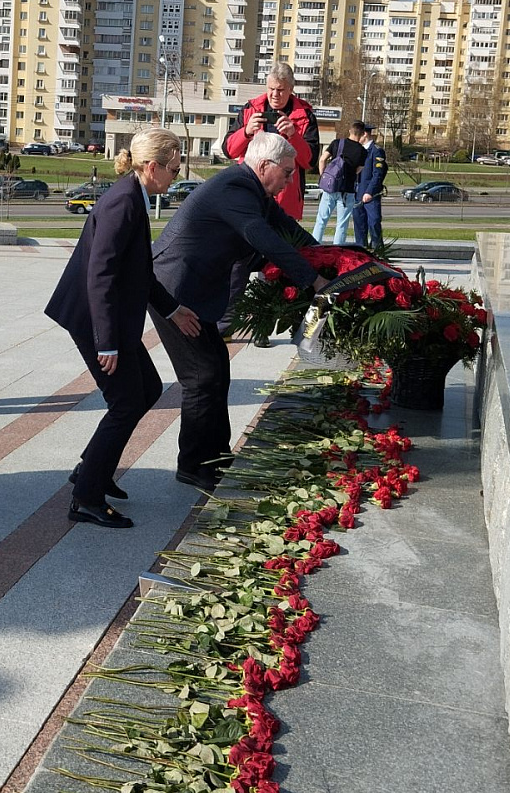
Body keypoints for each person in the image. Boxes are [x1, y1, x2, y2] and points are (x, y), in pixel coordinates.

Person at [149, 132, 328, 489]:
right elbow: (261, 236)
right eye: (288, 172)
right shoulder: (235, 188)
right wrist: (314, 280)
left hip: (193, 290)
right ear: (264, 166)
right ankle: (194, 465)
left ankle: (214, 455)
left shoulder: (254, 190)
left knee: (215, 372)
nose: (292, 180)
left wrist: (329, 259)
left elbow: (287, 229)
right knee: (201, 378)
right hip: (175, 292)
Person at [45, 129, 201, 529]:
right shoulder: (123, 204)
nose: (176, 174)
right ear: (152, 167)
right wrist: (107, 343)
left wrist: (174, 310)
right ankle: (86, 498)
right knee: (126, 401)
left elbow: (139, 272)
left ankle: (90, 470)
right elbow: (101, 275)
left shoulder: (134, 195)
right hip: (95, 319)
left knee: (146, 389)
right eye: (173, 167)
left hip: (111, 318)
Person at [218, 63, 320, 339]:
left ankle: (273, 326)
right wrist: (247, 132)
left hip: (284, 202)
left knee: (278, 266)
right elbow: (229, 149)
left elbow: (309, 161)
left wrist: (293, 135)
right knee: (238, 264)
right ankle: (228, 324)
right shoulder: (251, 108)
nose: (275, 95)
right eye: (272, 89)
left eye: (282, 90)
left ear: (291, 90)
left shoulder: (304, 114)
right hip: (249, 200)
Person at [310, 123, 367, 245]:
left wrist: (324, 176)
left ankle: (314, 246)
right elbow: (358, 170)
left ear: (349, 131)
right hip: (347, 191)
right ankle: (337, 249)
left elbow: (322, 159)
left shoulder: (337, 143)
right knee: (342, 223)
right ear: (363, 134)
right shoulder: (362, 152)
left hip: (330, 187)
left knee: (321, 220)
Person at [352, 121, 388, 251]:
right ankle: (362, 252)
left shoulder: (376, 151)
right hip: (356, 194)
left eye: (358, 134)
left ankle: (378, 252)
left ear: (365, 134)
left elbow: (378, 174)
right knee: (359, 225)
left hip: (370, 196)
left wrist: (370, 192)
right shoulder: (358, 150)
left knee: (373, 223)